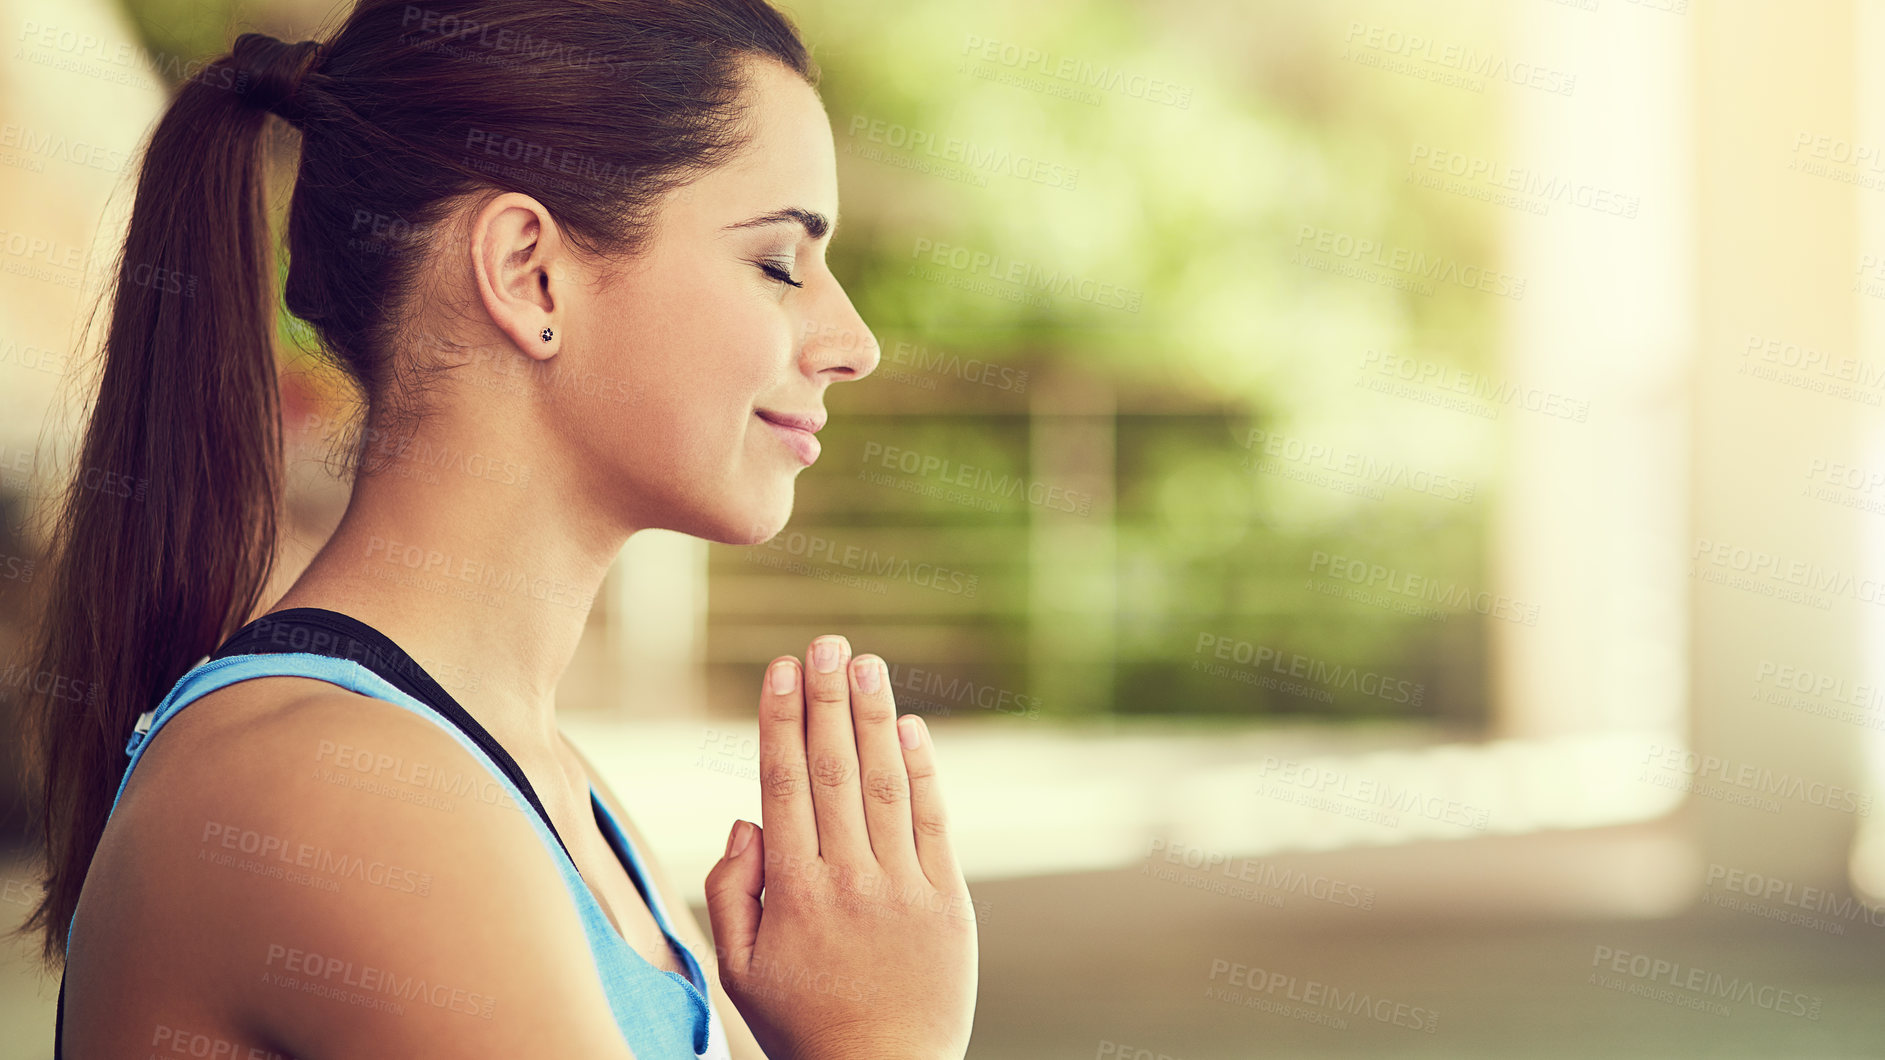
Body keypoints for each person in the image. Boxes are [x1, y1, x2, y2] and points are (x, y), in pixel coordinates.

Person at [13, 1, 978, 1056]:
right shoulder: (340, 792)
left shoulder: (554, 790)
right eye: (779, 263)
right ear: (528, 272)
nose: (855, 343)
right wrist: (882, 1035)